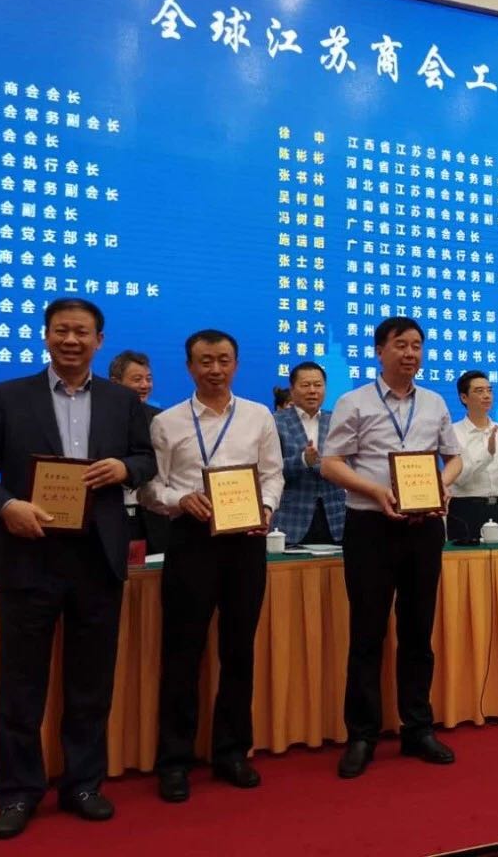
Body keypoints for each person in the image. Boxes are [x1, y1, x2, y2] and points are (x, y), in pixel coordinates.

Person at [0, 298, 156, 839]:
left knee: (91, 682)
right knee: (22, 684)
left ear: (98, 340)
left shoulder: (120, 400)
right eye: (61, 330)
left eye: (81, 332)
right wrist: (3, 506)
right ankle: (19, 791)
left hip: (97, 557)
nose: (71, 340)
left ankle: (83, 784)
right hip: (29, 553)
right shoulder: (7, 396)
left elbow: (147, 458)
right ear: (45, 335)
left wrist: (126, 468)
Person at [141, 329, 283, 803]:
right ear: (189, 367)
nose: (215, 369)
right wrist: (180, 499)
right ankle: (174, 760)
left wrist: (266, 507)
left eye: (223, 360)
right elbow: (150, 488)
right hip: (191, 539)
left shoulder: (259, 415)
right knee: (182, 652)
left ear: (236, 364)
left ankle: (232, 751)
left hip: (246, 541)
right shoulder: (167, 422)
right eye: (205, 361)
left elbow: (273, 474)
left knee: (239, 650)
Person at [320, 316, 463, 779]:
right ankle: (362, 735)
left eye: (417, 345)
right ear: (379, 351)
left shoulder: (435, 402)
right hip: (370, 526)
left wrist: (443, 484)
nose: (410, 353)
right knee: (367, 632)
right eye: (401, 345)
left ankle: (417, 728)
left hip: (424, 528)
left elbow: (454, 456)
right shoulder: (354, 401)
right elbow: (331, 463)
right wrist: (375, 491)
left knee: (418, 632)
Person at [447, 370, 498, 541]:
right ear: (464, 397)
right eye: (479, 391)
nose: (486, 396)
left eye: (489, 390)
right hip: (466, 509)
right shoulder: (453, 432)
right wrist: (488, 454)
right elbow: (460, 478)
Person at [271, 361, 346, 545]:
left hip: (335, 519)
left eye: (318, 385)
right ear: (292, 389)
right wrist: (303, 460)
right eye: (305, 385)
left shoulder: (338, 421)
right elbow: (269, 471)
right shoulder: (275, 422)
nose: (312, 391)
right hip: (292, 520)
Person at [108, 350, 169, 554]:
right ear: (115, 382)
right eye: (137, 379)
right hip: (112, 512)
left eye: (148, 379)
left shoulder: (161, 420)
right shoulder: (98, 418)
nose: (145, 385)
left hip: (153, 516)